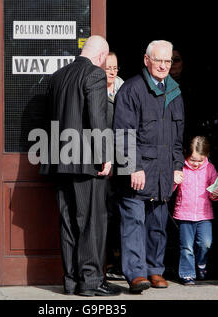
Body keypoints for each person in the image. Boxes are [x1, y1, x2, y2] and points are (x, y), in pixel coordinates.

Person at [39, 35, 120, 297]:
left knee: (68, 222)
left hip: (59, 162)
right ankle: (91, 281)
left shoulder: (58, 76)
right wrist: (105, 157)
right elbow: (97, 120)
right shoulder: (94, 75)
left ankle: (72, 281)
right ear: (101, 57)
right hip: (86, 164)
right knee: (91, 222)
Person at [113, 40, 185, 293]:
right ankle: (136, 273)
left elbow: (178, 135)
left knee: (157, 223)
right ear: (146, 60)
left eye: (168, 61)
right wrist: (133, 166)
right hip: (138, 170)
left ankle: (155, 269)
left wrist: (178, 166)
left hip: (164, 171)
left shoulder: (174, 90)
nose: (164, 66)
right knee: (133, 222)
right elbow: (123, 133)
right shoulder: (132, 89)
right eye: (159, 61)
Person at [173, 136, 218, 285]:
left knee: (205, 243)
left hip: (204, 214)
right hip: (184, 213)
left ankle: (201, 264)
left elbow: (216, 188)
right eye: (192, 159)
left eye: (199, 160)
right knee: (186, 247)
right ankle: (187, 274)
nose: (195, 163)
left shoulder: (210, 168)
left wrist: (216, 193)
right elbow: (170, 190)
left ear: (206, 156)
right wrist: (174, 182)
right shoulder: (180, 167)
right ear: (186, 154)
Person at [102, 52, 125, 280]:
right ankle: (106, 259)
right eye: (108, 67)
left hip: (121, 161)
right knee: (105, 213)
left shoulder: (124, 91)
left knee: (120, 212)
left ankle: (119, 260)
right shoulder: (95, 90)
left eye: (115, 67)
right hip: (103, 163)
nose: (112, 71)